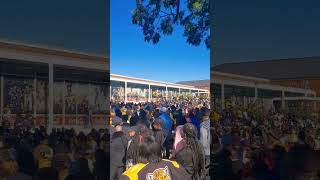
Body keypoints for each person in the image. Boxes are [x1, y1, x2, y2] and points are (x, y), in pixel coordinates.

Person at [120, 136, 191, 180]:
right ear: (159, 151)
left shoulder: (132, 172)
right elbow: (186, 177)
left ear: (140, 153)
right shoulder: (172, 164)